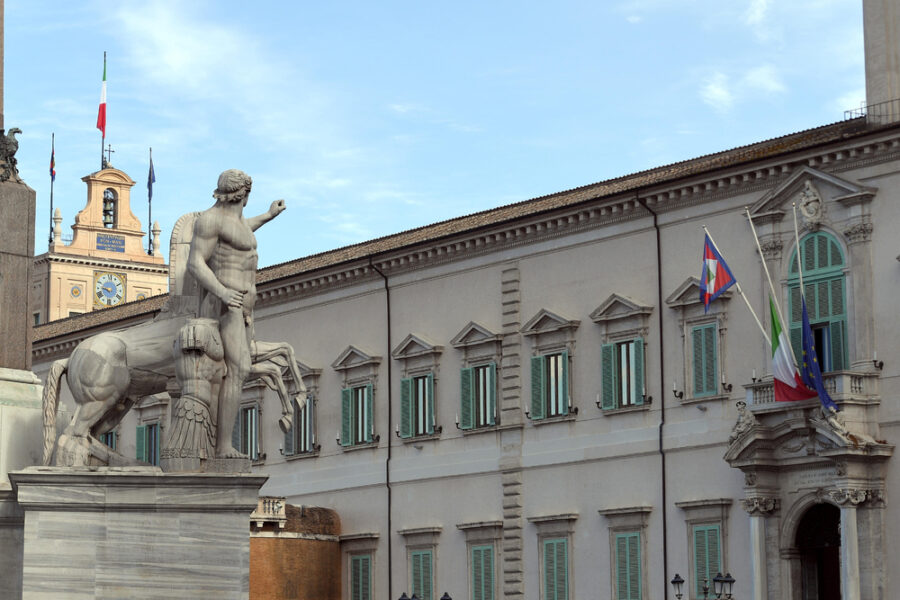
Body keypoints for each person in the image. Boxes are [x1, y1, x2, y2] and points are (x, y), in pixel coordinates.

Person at [187, 169, 285, 458]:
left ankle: (223, 443)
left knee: (241, 367)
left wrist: (268, 216)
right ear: (243, 194)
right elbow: (195, 263)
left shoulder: (237, 220)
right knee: (239, 368)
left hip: (244, 307)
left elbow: (240, 233)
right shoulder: (210, 219)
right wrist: (222, 292)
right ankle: (223, 446)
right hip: (225, 305)